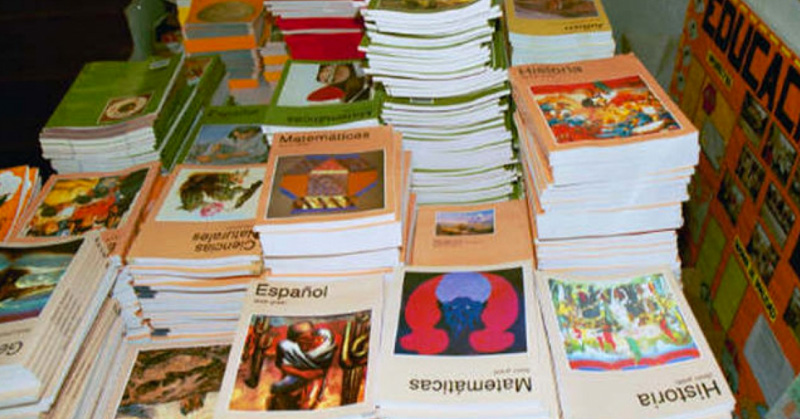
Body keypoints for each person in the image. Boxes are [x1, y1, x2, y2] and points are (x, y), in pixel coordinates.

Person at [267, 321, 336, 410]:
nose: (309, 342)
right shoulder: (289, 352)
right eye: (304, 339)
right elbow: (283, 366)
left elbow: (320, 371)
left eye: (311, 337)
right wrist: (303, 374)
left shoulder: (320, 352)